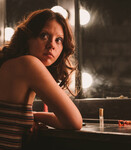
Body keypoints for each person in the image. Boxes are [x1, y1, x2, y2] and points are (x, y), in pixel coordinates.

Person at [0, 9, 82, 150]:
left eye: (59, 40)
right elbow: (74, 121)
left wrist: (30, 115)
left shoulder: (10, 64)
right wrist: (36, 115)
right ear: (27, 37)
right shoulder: (28, 64)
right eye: (44, 36)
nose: (52, 45)